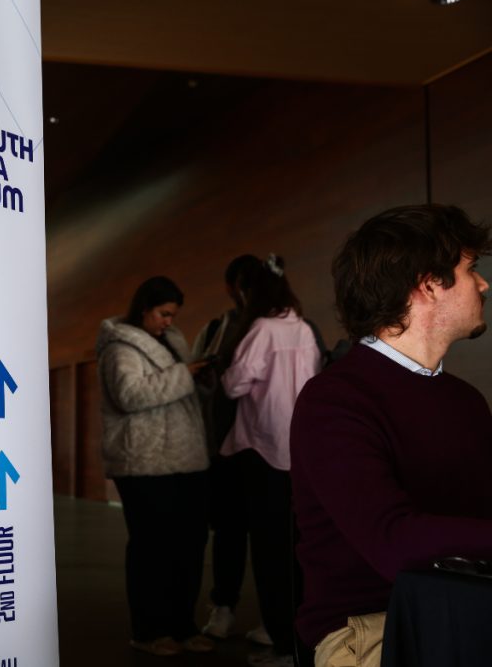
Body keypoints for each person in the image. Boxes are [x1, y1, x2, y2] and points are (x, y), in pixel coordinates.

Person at [290, 204, 492, 667]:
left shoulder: (466, 400)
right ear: (428, 285)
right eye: (470, 269)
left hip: (467, 608)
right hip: (373, 627)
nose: (482, 284)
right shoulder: (334, 400)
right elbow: (392, 541)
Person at [96, 276, 215, 657]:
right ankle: (148, 630)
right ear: (144, 308)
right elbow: (130, 395)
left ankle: (183, 626)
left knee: (190, 545)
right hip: (144, 462)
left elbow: (180, 391)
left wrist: (201, 378)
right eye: (163, 314)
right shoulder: (120, 348)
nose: (168, 322)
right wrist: (185, 374)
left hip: (185, 458)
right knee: (152, 550)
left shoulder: (174, 342)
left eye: (172, 315)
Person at [220, 254, 322, 667]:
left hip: (263, 450)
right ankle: (294, 637)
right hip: (299, 451)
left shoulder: (261, 329)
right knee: (297, 551)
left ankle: (281, 642)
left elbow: (234, 385)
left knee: (267, 551)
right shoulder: (304, 329)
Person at [192, 255, 265, 642]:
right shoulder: (215, 329)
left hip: (271, 453)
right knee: (229, 534)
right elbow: (198, 386)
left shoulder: (286, 326)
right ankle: (223, 606)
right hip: (226, 450)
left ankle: (274, 618)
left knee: (271, 539)